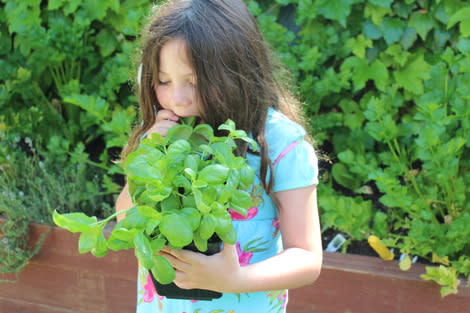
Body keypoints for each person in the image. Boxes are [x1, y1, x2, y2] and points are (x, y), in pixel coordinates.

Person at [115, 0, 322, 312]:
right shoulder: (164, 133)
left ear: (235, 72)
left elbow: (307, 257)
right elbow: (123, 218)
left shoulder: (280, 144)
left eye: (194, 82)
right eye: (163, 80)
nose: (177, 98)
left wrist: (233, 279)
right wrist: (150, 153)